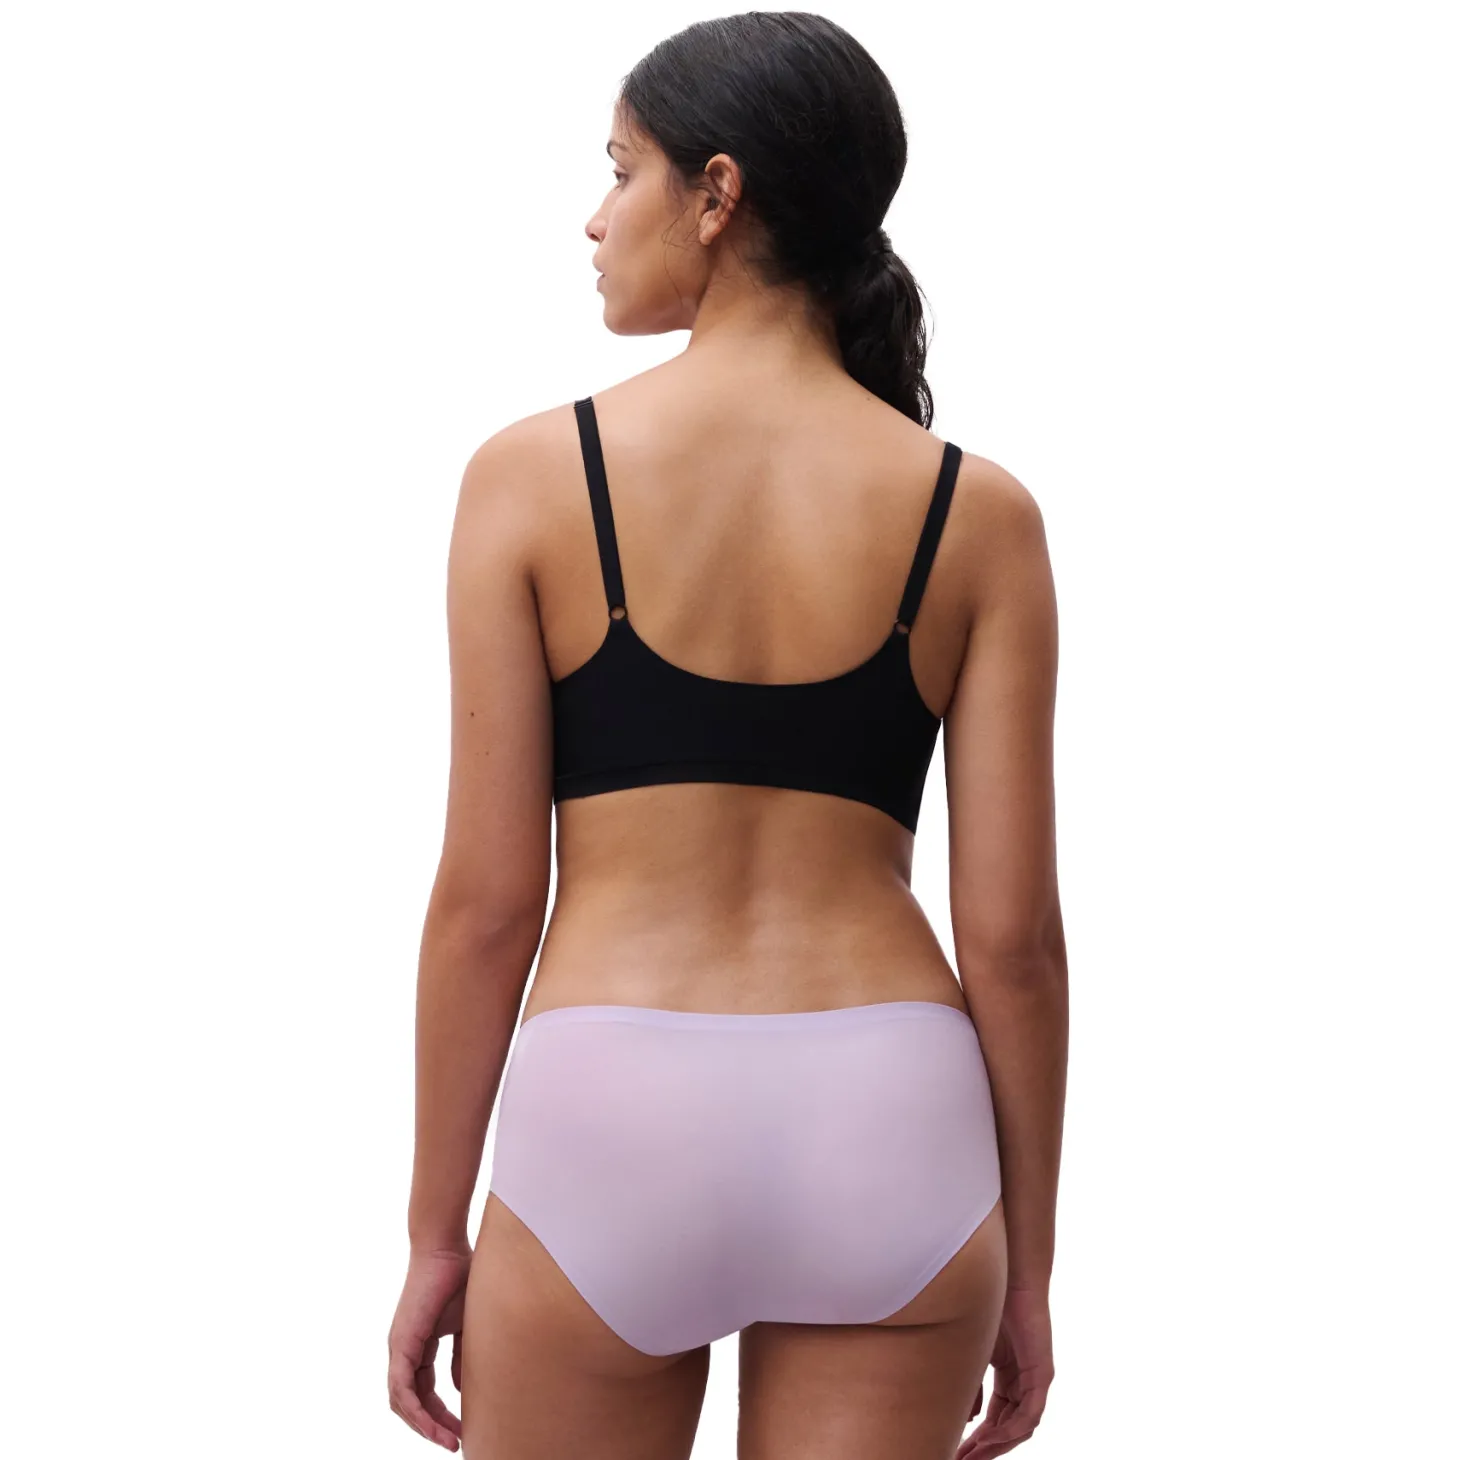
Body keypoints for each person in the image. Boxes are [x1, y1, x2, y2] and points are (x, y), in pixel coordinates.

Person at [387, 13, 1067, 1459]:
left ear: (717, 192)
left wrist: (436, 1234)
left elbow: (487, 907)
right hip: (892, 1119)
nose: (595, 217)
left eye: (618, 170)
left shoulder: (531, 479)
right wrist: (1030, 1266)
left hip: (614, 1111)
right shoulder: (979, 514)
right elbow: (1012, 944)